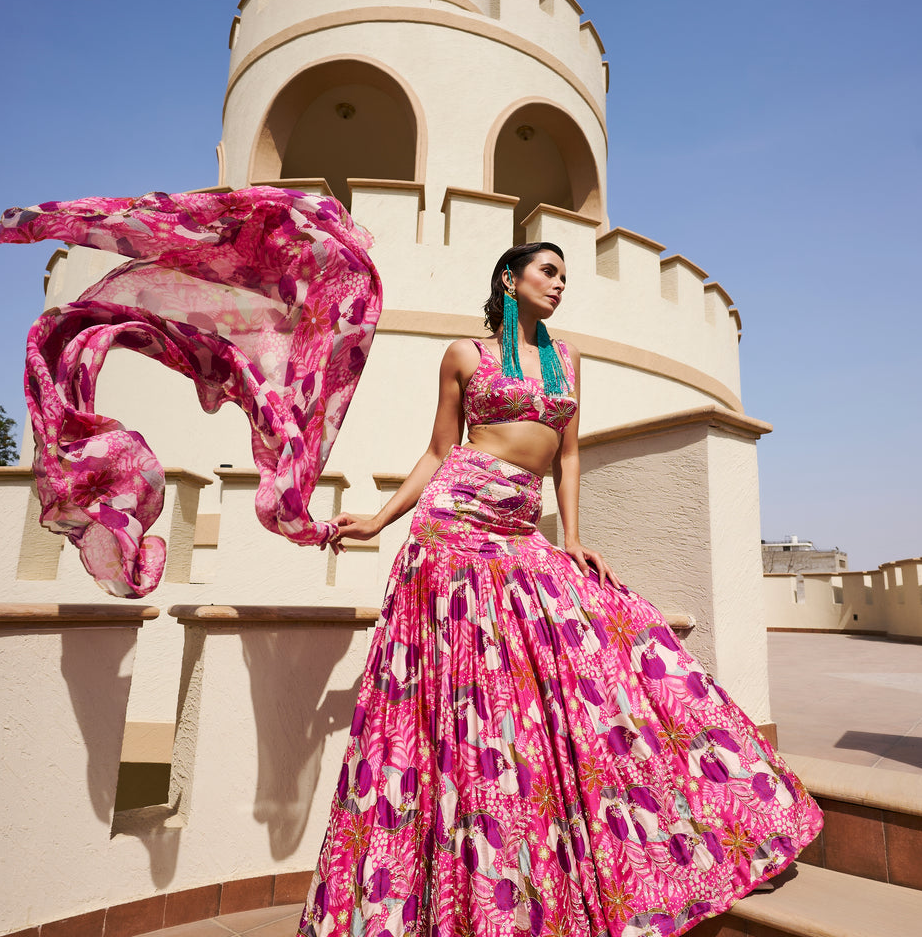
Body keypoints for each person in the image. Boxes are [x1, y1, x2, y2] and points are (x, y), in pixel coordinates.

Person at [297, 242, 823, 937]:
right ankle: (479, 876)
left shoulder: (568, 360)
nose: (560, 285)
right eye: (548, 272)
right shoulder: (465, 354)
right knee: (471, 692)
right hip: (453, 527)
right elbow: (438, 452)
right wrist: (377, 521)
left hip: (520, 526)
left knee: (616, 638)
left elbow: (568, 456)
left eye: (566, 276)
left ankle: (691, 820)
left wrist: (572, 539)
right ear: (509, 280)